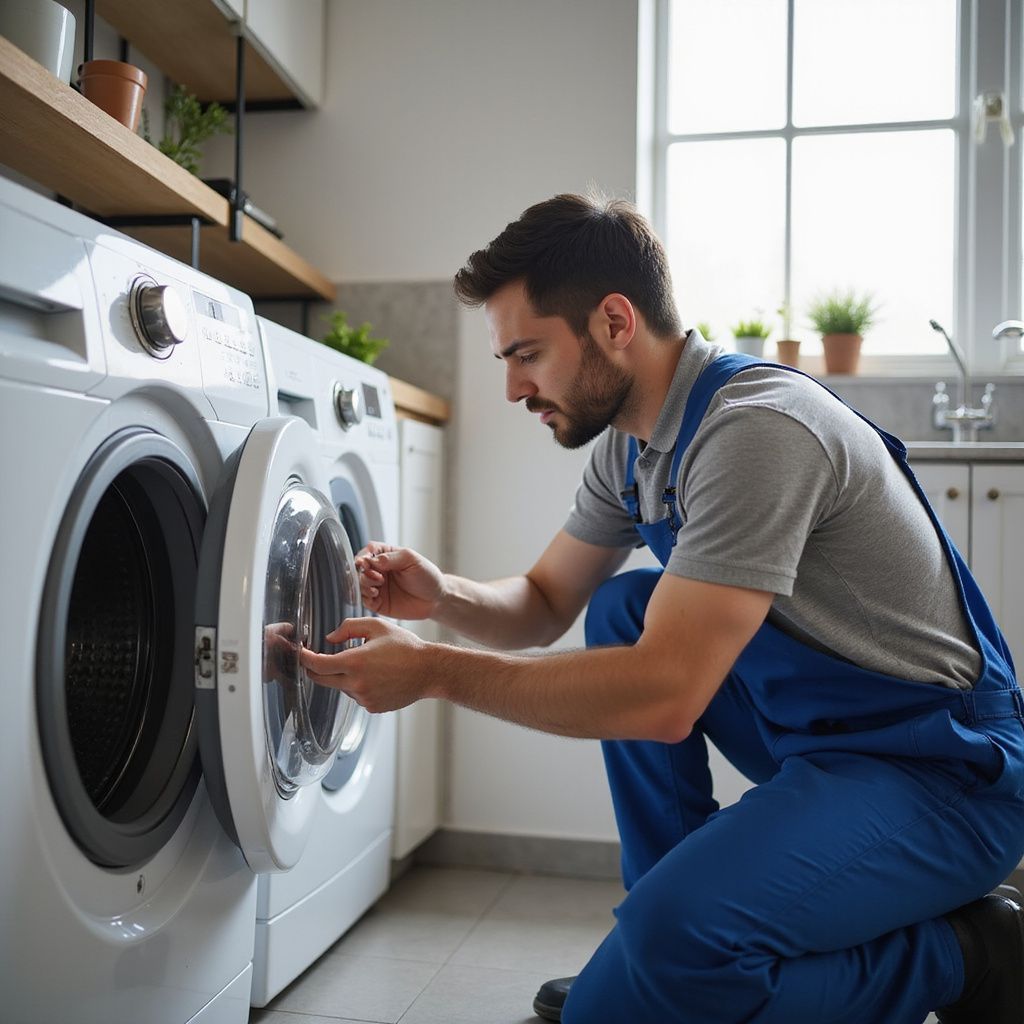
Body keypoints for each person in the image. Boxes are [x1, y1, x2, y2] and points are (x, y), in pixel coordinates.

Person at [299, 193, 1024, 1024]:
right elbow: (542, 602)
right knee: (621, 610)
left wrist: (433, 672)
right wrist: (443, 595)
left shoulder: (758, 431)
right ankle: (664, 932)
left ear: (614, 321)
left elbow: (664, 694)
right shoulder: (634, 444)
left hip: (943, 776)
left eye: (527, 353)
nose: (511, 388)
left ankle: (961, 956)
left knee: (637, 987)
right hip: (824, 747)